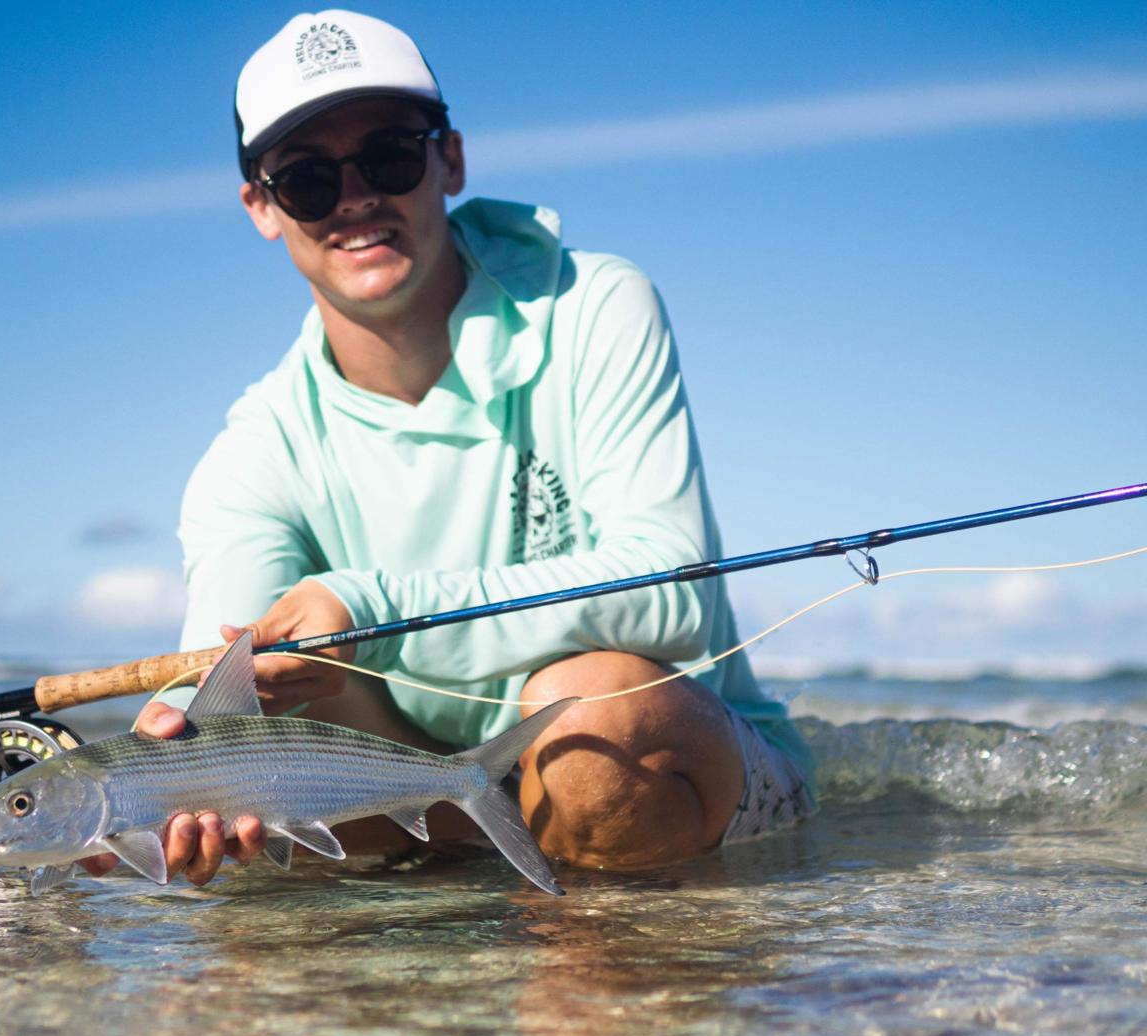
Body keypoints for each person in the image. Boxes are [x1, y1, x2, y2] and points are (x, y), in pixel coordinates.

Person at [81, 9, 815, 887]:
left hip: (671, 752)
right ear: (263, 208)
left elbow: (673, 592)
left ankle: (609, 1003)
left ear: (450, 159)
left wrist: (368, 607)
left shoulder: (597, 305)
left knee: (588, 725)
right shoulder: (251, 455)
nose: (356, 197)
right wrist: (170, 769)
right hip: (434, 788)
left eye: (390, 155)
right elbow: (218, 687)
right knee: (247, 823)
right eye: (310, 179)